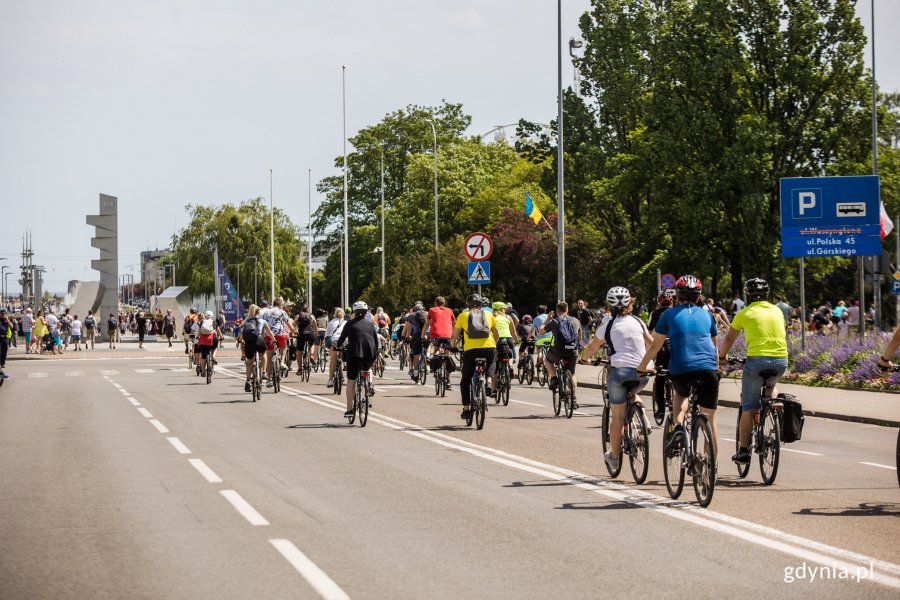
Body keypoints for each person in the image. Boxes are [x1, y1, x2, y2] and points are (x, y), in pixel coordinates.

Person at [637, 274, 720, 457]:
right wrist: (717, 368)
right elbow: (715, 349)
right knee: (710, 419)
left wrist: (642, 367)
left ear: (677, 296)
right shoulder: (708, 316)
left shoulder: (668, 315)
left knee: (680, 395)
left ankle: (678, 426)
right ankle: (710, 466)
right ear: (698, 297)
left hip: (681, 369)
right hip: (708, 370)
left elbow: (655, 346)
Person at [581, 287, 653, 473]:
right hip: (642, 373)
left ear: (609, 305)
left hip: (620, 373)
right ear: (630, 303)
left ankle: (613, 457)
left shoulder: (607, 326)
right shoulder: (638, 321)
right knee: (635, 391)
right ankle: (642, 417)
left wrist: (584, 360)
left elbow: (591, 348)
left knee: (618, 417)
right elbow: (652, 343)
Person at [718, 278, 788, 465]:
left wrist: (722, 357)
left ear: (748, 295)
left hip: (756, 361)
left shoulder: (744, 313)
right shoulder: (778, 310)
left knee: (748, 407)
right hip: (781, 360)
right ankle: (774, 409)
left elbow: (729, 339)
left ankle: (743, 452)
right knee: (771, 385)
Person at [450, 295, 499, 421]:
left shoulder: (463, 316)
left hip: (471, 351)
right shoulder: (488, 314)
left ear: (468, 305)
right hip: (489, 348)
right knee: (492, 361)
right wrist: (494, 345)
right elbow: (496, 333)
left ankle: (466, 410)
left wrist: (453, 347)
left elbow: (454, 336)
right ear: (481, 305)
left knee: (465, 381)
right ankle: (488, 382)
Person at [333, 301, 379, 416]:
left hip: (354, 355)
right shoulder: (370, 324)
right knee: (367, 368)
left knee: (351, 381)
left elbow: (341, 339)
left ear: (354, 312)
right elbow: (376, 342)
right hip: (369, 355)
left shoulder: (349, 324)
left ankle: (350, 410)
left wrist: (337, 346)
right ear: (365, 312)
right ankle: (369, 385)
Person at [538, 301, 583, 406]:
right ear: (567, 310)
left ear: (557, 311)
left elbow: (541, 331)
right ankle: (574, 398)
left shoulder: (555, 321)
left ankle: (554, 378)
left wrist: (548, 319)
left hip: (558, 351)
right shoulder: (575, 321)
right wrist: (578, 346)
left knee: (547, 360)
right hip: (572, 350)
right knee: (571, 373)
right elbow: (580, 336)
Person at [423, 296, 456, 388]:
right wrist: (453, 335)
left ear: (435, 303)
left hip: (436, 334)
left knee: (436, 349)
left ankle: (435, 367)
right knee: (447, 354)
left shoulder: (432, 310)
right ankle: (448, 381)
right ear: (444, 303)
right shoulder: (449, 310)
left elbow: (427, 323)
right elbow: (454, 323)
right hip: (447, 335)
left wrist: (423, 335)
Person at [238, 304, 273, 392]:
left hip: (249, 343)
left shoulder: (245, 322)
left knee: (249, 362)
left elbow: (241, 336)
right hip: (258, 341)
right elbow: (270, 333)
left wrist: (240, 341)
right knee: (263, 353)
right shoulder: (262, 321)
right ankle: (264, 373)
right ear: (258, 312)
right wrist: (274, 340)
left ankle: (248, 381)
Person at [403, 302, 429, 382]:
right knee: (428, 345)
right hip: (427, 333)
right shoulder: (427, 313)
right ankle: (427, 355)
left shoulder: (411, 316)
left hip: (417, 334)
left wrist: (406, 337)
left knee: (416, 354)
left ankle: (416, 373)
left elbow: (409, 328)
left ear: (414, 309)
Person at [491, 301, 519, 367]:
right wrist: (517, 340)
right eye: (504, 309)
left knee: (495, 356)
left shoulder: (492, 317)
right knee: (510, 355)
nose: (505, 310)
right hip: (508, 338)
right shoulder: (508, 317)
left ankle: (495, 374)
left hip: (497, 339)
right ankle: (510, 365)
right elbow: (513, 332)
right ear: (500, 309)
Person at [325, 308, 346, 388]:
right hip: (343, 342)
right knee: (344, 356)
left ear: (335, 314)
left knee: (333, 360)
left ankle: (330, 380)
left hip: (334, 342)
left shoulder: (330, 322)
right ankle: (342, 372)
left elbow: (327, 335)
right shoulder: (346, 323)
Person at [0, 308, 11, 379]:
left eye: (4, 313)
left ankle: (2, 364)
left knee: (4, 353)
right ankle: (1, 373)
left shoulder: (6, 320)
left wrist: (8, 320)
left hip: (4, 338)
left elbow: (13, 327)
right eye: (2, 313)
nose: (3, 314)